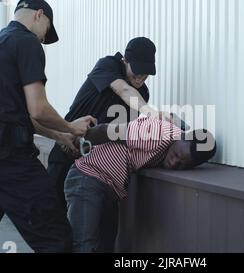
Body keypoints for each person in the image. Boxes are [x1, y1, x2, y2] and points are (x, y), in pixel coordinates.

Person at [0, 0, 95, 253]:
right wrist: (72, 127)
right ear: (39, 15)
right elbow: (38, 109)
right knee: (55, 237)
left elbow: (16, 115)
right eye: (47, 31)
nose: (44, 39)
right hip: (9, 158)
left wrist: (58, 135)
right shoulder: (26, 42)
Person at [47, 37, 182, 210]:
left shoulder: (142, 94)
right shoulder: (108, 65)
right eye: (136, 73)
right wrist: (151, 112)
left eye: (145, 75)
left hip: (93, 164)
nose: (140, 79)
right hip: (67, 144)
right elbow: (123, 89)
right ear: (125, 61)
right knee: (51, 211)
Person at [62, 116, 217, 252]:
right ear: (181, 136)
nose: (175, 162)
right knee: (83, 245)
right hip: (88, 177)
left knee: (105, 246)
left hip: (109, 189)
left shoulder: (174, 144)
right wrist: (76, 140)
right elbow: (108, 131)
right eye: (177, 155)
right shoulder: (158, 132)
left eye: (183, 164)